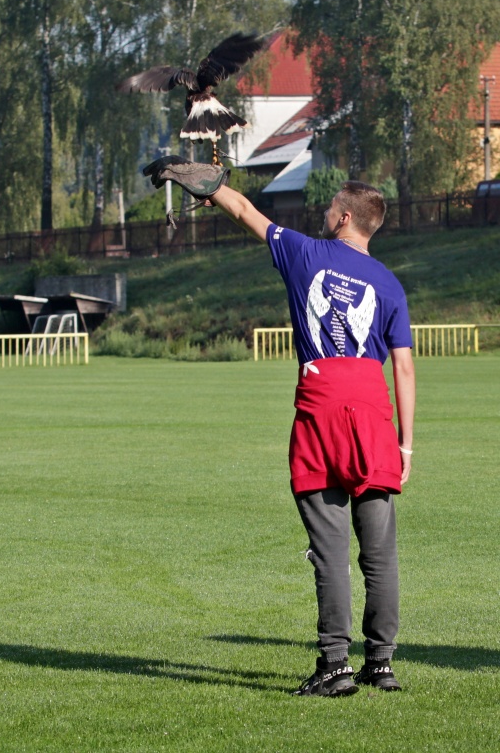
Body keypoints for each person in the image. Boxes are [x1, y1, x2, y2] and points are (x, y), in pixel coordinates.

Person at [144, 159, 415, 697]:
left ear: (344, 217)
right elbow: (404, 367)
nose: (325, 212)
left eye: (331, 207)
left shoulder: (305, 252)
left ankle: (335, 666)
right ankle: (381, 664)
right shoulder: (389, 283)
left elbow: (245, 210)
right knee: (379, 553)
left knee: (331, 550)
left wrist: (210, 186)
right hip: (372, 410)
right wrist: (406, 445)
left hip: (322, 402)